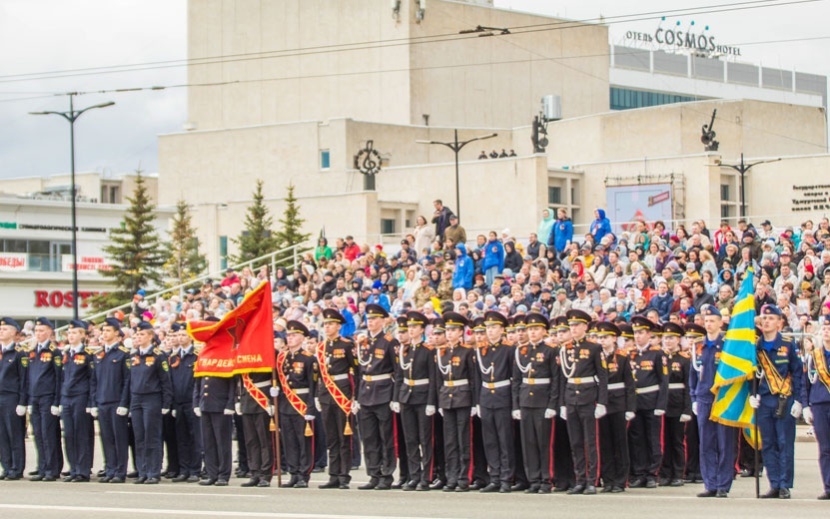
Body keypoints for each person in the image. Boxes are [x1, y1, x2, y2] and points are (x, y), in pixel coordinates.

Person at [750, 304, 803, 499]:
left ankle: (784, 485)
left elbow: (797, 373)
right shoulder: (756, 347)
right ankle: (774, 483)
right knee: (768, 443)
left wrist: (799, 400)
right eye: (764, 319)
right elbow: (751, 376)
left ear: (779, 322)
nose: (766, 322)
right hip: (764, 400)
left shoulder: (788, 344)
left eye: (771, 318)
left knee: (784, 443)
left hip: (785, 400)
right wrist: (751, 394)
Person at [690, 305, 737, 498]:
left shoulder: (728, 344)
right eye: (706, 321)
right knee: (706, 443)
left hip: (723, 399)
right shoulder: (698, 346)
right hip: (704, 398)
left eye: (712, 321)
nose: (708, 324)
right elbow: (693, 375)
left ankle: (723, 485)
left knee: (725, 443)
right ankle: (710, 483)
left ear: (720, 322)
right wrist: (693, 397)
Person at [561, 309, 608, 495]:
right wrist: (563, 403)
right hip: (571, 396)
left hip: (589, 397)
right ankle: (579, 479)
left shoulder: (594, 348)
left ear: (585, 327)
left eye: (577, 325)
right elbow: (562, 378)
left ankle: (591, 480)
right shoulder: (565, 348)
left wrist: (602, 402)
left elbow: (602, 377)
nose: (573, 329)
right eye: (571, 326)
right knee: (576, 442)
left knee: (590, 441)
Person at [353, 304, 398, 490]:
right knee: (369, 437)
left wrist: (394, 398)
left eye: (374, 319)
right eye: (368, 319)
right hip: (365, 392)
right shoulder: (363, 342)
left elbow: (397, 372)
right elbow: (358, 372)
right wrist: (356, 397)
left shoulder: (389, 342)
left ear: (383, 320)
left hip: (383, 391)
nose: (370, 322)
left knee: (385, 436)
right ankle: (373, 473)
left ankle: (386, 475)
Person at [512, 312, 558, 494]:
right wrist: (516, 405)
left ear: (544, 331)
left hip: (543, 401)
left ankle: (546, 479)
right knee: (529, 442)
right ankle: (534, 479)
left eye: (536, 329)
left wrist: (552, 405)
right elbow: (516, 380)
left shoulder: (550, 350)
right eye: (529, 329)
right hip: (526, 401)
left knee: (544, 442)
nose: (532, 333)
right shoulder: (521, 351)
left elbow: (555, 380)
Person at [316, 308, 359, 489]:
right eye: (325, 324)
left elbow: (356, 371)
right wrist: (318, 395)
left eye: (331, 324)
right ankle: (333, 475)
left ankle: (344, 475)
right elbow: (318, 373)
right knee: (331, 436)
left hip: (342, 392)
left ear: (339, 326)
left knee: (344, 436)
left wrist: (355, 397)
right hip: (326, 394)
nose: (327, 327)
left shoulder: (346, 345)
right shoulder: (321, 347)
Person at [395, 311, 438, 491]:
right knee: (410, 439)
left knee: (425, 439)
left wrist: (431, 402)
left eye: (414, 327)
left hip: (422, 396)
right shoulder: (404, 350)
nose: (411, 330)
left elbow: (433, 378)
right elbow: (399, 376)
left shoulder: (428, 350)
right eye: (409, 327)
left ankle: (426, 476)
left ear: (422, 329)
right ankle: (413, 475)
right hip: (407, 396)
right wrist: (396, 398)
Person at [436, 312, 477, 492]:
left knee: (463, 439)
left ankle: (463, 477)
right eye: (448, 330)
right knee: (450, 441)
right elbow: (439, 380)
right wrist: (439, 402)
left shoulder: (467, 352)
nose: (450, 333)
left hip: (463, 397)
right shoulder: (442, 352)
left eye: (454, 330)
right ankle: (451, 476)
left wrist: (475, 403)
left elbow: (474, 379)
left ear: (461, 332)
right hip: (447, 397)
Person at [275, 321, 318, 488]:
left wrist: (311, 407)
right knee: (289, 440)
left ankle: (303, 475)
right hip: (286, 404)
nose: (290, 338)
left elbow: (313, 385)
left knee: (303, 441)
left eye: (293, 335)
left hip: (301, 404)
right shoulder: (282, 358)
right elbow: (280, 381)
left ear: (301, 338)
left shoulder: (308, 358)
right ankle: (293, 473)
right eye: (289, 335)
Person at [476, 311, 515, 493]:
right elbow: (478, 378)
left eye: (494, 327)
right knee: (490, 440)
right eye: (488, 328)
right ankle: (495, 476)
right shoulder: (481, 349)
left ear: (502, 329)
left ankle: (506, 477)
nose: (490, 331)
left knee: (504, 439)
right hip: (486, 397)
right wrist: (478, 401)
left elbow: (514, 377)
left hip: (502, 395)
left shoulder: (508, 349)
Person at [628, 315, 669, 489]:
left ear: (649, 334)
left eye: (641, 333)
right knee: (638, 439)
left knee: (653, 439)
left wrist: (661, 405)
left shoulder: (657, 354)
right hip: (636, 402)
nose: (638, 336)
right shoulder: (631, 354)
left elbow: (664, 381)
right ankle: (640, 472)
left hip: (652, 401)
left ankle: (653, 473)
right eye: (636, 333)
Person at [129, 321, 173, 484]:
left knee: (152, 436)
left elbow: (165, 381)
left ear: (150, 336)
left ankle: (154, 471)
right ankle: (142, 470)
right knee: (139, 436)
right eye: (136, 334)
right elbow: (130, 380)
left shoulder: (158, 355)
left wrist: (166, 403)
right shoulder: (133, 356)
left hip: (152, 398)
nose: (138, 337)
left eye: (141, 334)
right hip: (136, 398)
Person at [595, 321, 635, 493]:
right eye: (600, 338)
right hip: (602, 404)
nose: (602, 341)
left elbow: (630, 385)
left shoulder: (623, 357)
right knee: (605, 443)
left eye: (605, 337)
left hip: (619, 403)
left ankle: (620, 480)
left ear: (614, 338)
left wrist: (630, 408)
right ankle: (608, 478)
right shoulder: (596, 356)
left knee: (620, 443)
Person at [95, 318, 132, 484]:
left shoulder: (123, 354)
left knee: (119, 439)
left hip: (117, 402)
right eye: (103, 330)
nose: (105, 333)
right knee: (107, 438)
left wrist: (124, 403)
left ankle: (119, 471)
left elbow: (127, 381)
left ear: (117, 333)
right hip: (102, 401)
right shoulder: (99, 354)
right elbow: (94, 381)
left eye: (108, 330)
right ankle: (110, 468)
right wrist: (94, 402)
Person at [59, 319, 96, 482]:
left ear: (82, 335)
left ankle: (83, 469)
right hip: (67, 397)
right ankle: (73, 468)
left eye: (74, 333)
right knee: (69, 434)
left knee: (81, 434)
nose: (71, 335)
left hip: (81, 397)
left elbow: (92, 379)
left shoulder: (88, 355)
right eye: (69, 333)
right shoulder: (66, 354)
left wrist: (90, 402)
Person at [27, 317, 63, 482]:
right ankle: (42, 467)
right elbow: (29, 377)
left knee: (49, 434)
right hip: (35, 397)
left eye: (42, 331)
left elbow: (57, 378)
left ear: (49, 332)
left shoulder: (54, 351)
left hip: (48, 397)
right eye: (36, 331)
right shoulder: (33, 351)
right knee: (38, 434)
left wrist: (56, 401)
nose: (38, 334)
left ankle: (52, 468)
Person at [658, 322, 692, 487]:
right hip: (662, 404)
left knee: (677, 440)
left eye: (671, 338)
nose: (668, 341)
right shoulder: (659, 357)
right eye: (665, 338)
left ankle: (678, 472)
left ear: (678, 340)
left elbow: (688, 386)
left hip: (678, 403)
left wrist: (687, 409)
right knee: (664, 441)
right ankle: (665, 473)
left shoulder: (685, 359)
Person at [802, 318, 830, 500]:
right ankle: (828, 486)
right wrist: (805, 405)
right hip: (820, 404)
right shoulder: (814, 356)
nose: (827, 331)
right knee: (825, 448)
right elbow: (805, 383)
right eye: (825, 328)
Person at [0, 317, 28, 480]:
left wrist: (22, 401)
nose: (1, 331)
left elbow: (24, 379)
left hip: (12, 397)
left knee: (14, 433)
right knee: (2, 434)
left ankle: (16, 468)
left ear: (13, 332)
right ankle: (6, 466)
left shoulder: (19, 353)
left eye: (4, 329)